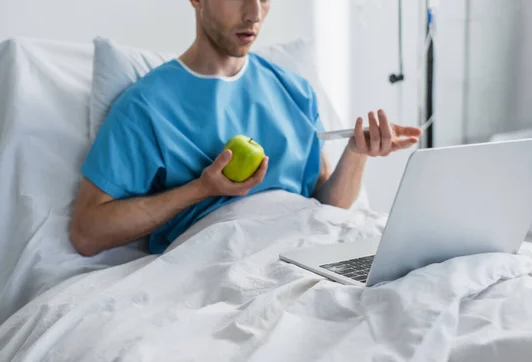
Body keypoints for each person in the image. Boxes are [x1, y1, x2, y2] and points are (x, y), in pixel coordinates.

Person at [70, 0, 422, 257]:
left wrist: (357, 155)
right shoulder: (147, 106)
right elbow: (86, 233)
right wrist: (200, 189)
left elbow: (326, 204)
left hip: (312, 250)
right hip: (221, 259)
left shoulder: (293, 90)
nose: (254, 12)